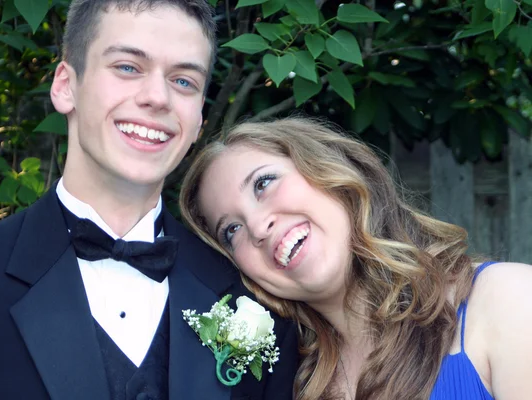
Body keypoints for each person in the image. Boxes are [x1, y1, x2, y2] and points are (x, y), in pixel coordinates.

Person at [0, 2, 299, 399]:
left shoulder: (248, 293)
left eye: (183, 82)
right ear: (65, 86)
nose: (158, 97)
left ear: (198, 122)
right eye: (128, 67)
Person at [179, 116, 532, 400]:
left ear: (331, 169)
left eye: (263, 183)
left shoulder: (506, 300)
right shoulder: (286, 383)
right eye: (231, 230)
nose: (257, 226)